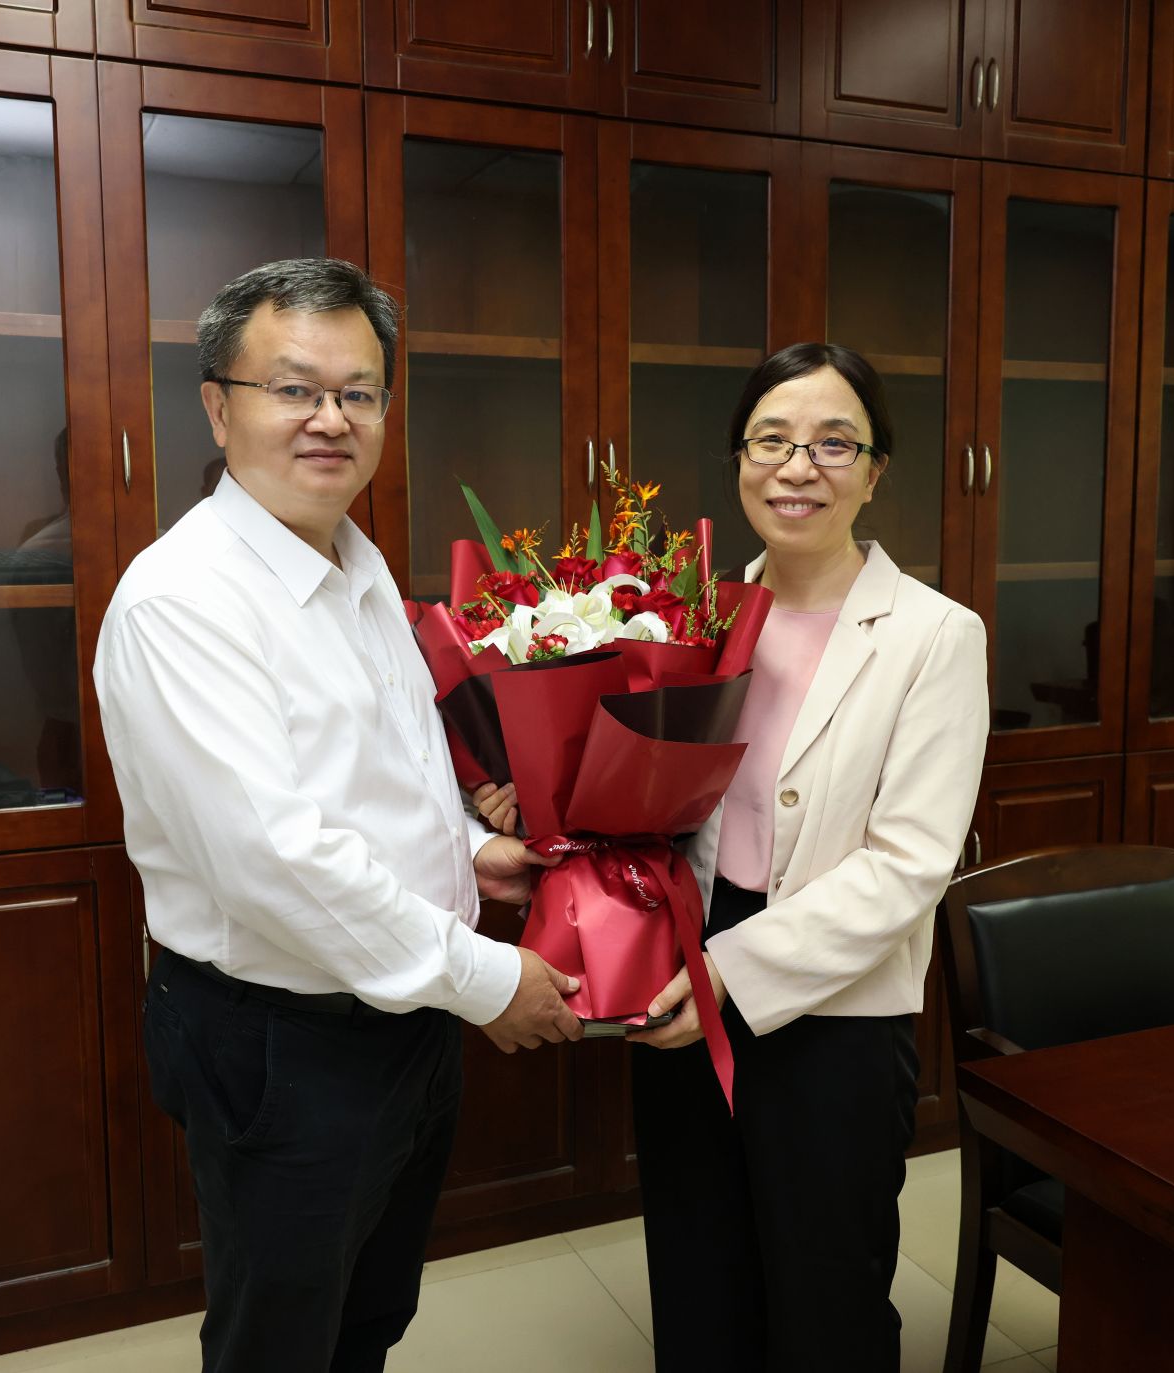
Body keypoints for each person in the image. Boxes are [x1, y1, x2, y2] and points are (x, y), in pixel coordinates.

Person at [92, 257, 582, 1372]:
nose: (331, 418)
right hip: (285, 1040)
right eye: (294, 388)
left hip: (404, 1013)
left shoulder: (355, 561)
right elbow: (275, 859)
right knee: (282, 1340)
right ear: (218, 405)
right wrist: (486, 980)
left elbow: (386, 771)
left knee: (368, 1314)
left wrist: (472, 851)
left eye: (359, 392)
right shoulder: (183, 599)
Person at [626, 343, 989, 1370]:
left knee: (827, 1292)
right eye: (772, 440)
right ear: (739, 459)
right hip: (683, 971)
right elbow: (647, 797)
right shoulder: (691, 615)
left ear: (875, 472)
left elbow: (909, 863)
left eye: (834, 444)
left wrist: (727, 972)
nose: (797, 467)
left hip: (835, 1002)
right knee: (698, 1271)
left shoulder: (934, 634)